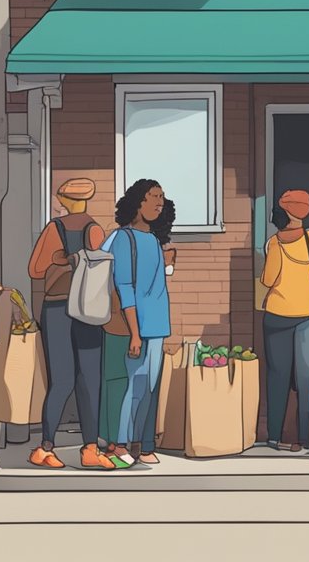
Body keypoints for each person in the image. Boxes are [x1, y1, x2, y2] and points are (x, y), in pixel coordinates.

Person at [25, 178, 114, 470]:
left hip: (56, 309)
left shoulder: (54, 229)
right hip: (88, 310)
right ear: (87, 200)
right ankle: (89, 449)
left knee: (60, 380)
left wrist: (58, 261)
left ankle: (45, 447)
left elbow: (35, 270)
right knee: (89, 380)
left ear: (64, 201)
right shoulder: (96, 230)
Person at [106, 179, 176, 468]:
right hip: (138, 327)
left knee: (148, 387)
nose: (159, 202)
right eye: (153, 196)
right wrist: (134, 332)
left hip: (158, 326)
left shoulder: (155, 240)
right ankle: (120, 443)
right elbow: (125, 286)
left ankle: (139, 444)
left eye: (161, 197)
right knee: (132, 386)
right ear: (138, 202)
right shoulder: (125, 238)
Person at [260, 189, 309, 452]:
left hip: (277, 316)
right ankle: (303, 437)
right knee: (305, 376)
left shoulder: (275, 243)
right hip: (306, 316)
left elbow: (267, 280)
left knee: (277, 376)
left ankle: (275, 436)